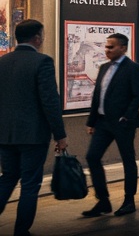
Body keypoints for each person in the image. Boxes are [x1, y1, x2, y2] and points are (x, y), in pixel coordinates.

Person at [0, 19, 68, 236]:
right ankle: (21, 231)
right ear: (37, 38)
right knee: (30, 183)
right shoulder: (42, 62)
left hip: (5, 134)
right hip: (33, 136)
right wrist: (60, 134)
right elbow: (50, 101)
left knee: (8, 177)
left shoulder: (2, 62)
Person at [83, 32, 139, 218]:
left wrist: (126, 116)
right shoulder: (104, 68)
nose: (107, 49)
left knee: (128, 160)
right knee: (92, 157)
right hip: (102, 122)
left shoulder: (134, 68)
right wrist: (91, 121)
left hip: (122, 123)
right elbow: (97, 97)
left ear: (123, 48)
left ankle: (129, 200)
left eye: (111, 46)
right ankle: (103, 200)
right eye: (106, 46)